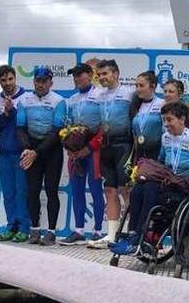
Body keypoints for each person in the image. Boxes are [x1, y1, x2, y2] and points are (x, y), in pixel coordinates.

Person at [110, 102, 189, 255]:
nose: (166, 124)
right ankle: (134, 234)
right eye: (164, 120)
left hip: (187, 186)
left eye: (169, 120)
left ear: (182, 119)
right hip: (168, 183)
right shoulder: (166, 138)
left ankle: (141, 237)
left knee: (149, 189)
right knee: (138, 189)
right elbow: (161, 162)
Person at [87, 60, 136, 249]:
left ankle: (132, 233)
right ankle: (112, 235)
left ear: (116, 74)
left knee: (126, 190)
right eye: (99, 75)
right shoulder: (99, 95)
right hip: (106, 147)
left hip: (124, 144)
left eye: (105, 74)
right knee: (110, 191)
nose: (101, 78)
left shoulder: (129, 92)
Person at [17, 66, 67, 246]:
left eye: (44, 81)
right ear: (34, 82)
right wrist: (27, 149)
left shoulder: (59, 101)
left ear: (50, 82)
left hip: (51, 150)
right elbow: (20, 128)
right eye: (38, 81)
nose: (41, 84)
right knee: (32, 191)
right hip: (31, 148)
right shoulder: (24, 100)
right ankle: (35, 229)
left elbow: (56, 131)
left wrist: (36, 152)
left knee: (52, 191)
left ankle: (51, 232)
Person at [59, 63, 106, 245]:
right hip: (75, 151)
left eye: (80, 74)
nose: (77, 78)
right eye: (74, 76)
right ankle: (78, 230)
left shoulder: (101, 95)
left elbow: (105, 125)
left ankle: (98, 231)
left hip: (93, 149)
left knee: (95, 190)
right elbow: (67, 126)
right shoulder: (71, 99)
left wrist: (91, 146)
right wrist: (70, 148)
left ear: (90, 75)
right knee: (76, 190)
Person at [0, 65, 31, 242]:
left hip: (21, 151)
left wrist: (13, 111)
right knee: (8, 193)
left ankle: (24, 227)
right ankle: (11, 226)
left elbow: (25, 124)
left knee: (21, 191)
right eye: (3, 80)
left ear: (15, 78)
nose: (7, 83)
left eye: (10, 79)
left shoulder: (26, 97)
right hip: (4, 152)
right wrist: (5, 113)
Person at [131, 71, 165, 162]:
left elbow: (165, 131)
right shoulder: (135, 105)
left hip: (156, 152)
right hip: (140, 152)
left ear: (153, 86)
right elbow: (134, 132)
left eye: (141, 86)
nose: (138, 89)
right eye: (136, 86)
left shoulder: (161, 104)